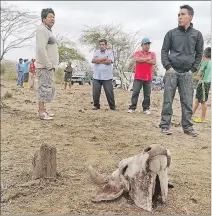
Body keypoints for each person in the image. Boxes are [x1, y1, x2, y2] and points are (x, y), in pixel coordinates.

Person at [159, 5, 204, 136]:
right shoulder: (171, 33)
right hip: (172, 72)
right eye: (178, 15)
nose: (179, 17)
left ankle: (188, 127)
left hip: (187, 73)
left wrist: (193, 70)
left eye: (183, 14)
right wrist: (168, 67)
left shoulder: (197, 34)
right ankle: (165, 125)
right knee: (168, 100)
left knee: (187, 101)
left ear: (190, 17)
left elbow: (199, 54)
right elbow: (164, 51)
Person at [36, 8, 59, 120]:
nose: (53, 19)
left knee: (47, 89)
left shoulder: (48, 31)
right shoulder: (42, 30)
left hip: (49, 67)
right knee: (43, 89)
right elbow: (41, 49)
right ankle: (41, 112)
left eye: (53, 17)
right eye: (50, 16)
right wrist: (49, 64)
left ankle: (44, 110)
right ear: (43, 19)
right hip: (44, 66)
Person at [128, 38, 156, 114]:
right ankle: (132, 107)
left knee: (147, 94)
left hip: (148, 78)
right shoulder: (138, 52)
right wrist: (147, 59)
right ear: (142, 45)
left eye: (148, 44)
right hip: (138, 77)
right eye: (145, 44)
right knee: (135, 93)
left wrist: (143, 59)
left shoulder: (152, 53)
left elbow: (153, 62)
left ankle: (146, 109)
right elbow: (137, 60)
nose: (147, 46)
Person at [91, 39, 116, 110]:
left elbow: (109, 62)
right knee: (95, 92)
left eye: (103, 44)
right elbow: (93, 60)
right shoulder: (96, 52)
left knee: (109, 92)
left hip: (107, 77)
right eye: (100, 44)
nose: (101, 46)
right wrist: (104, 59)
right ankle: (96, 106)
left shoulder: (110, 52)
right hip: (97, 76)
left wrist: (98, 60)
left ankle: (112, 106)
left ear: (106, 45)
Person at [192, 47, 211, 123]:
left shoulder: (205, 62)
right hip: (207, 83)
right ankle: (191, 114)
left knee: (203, 101)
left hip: (203, 83)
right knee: (197, 99)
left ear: (204, 55)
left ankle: (202, 118)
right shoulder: (210, 62)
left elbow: (199, 74)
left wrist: (195, 77)